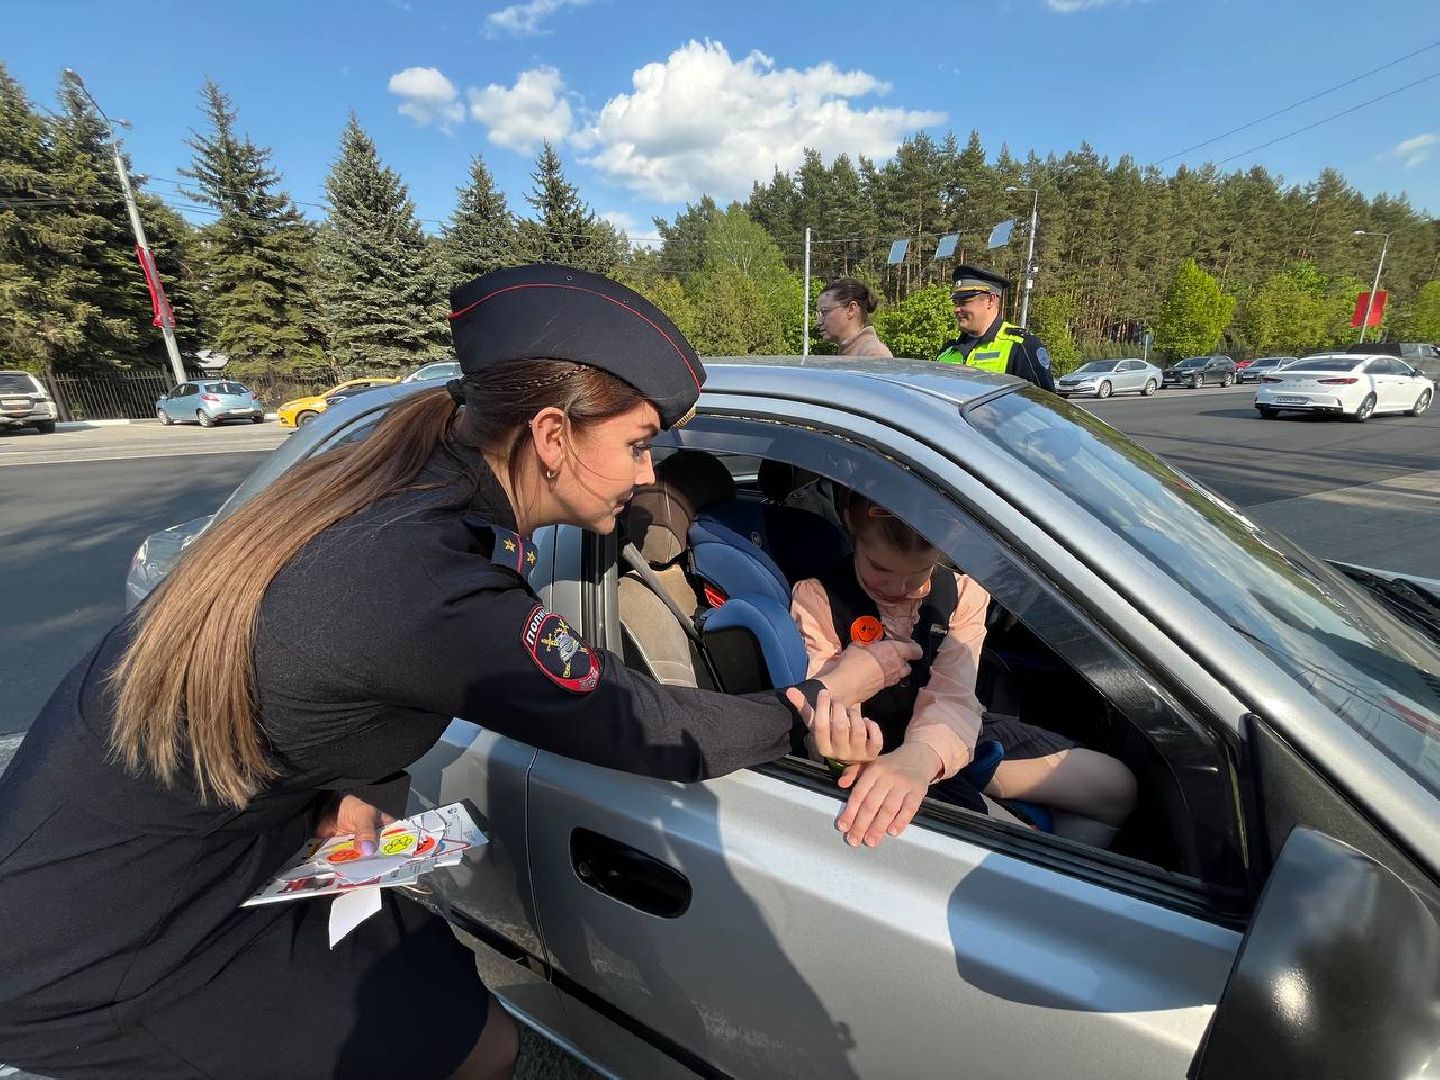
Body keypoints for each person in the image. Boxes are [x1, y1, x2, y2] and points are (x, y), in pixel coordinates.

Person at [0, 265, 890, 1080]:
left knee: (466, 1025)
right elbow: (651, 728)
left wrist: (364, 782)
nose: (647, 472)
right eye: (637, 444)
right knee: (468, 1045)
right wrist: (815, 698)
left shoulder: (412, 487)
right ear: (552, 435)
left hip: (215, 849)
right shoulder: (427, 579)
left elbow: (342, 668)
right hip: (108, 943)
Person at [790, 491, 1137, 850]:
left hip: (948, 729)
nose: (898, 588)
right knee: (993, 844)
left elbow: (954, 692)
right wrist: (850, 753)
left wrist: (922, 757)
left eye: (918, 574)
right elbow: (829, 701)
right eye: (880, 568)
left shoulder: (963, 594)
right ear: (851, 524)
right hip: (873, 744)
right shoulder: (819, 598)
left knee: (1114, 787)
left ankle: (1068, 864)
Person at [934, 264, 1055, 391]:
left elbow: (1044, 401)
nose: (957, 309)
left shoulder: (1021, 346)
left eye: (964, 302)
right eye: (955, 303)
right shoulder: (947, 350)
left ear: (990, 300)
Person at [817, 278, 892, 358]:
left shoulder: (873, 353)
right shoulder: (852, 351)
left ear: (851, 309)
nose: (818, 322)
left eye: (824, 312)